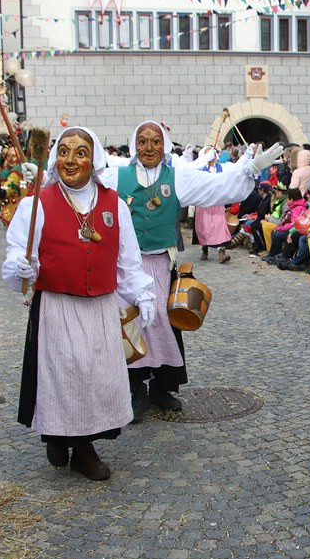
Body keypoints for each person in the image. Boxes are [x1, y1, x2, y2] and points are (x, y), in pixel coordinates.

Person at [2, 125, 156, 481]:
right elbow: (17, 271)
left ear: (94, 159)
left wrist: (142, 294)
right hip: (57, 304)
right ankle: (60, 437)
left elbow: (127, 261)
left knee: (95, 377)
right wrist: (22, 267)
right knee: (63, 376)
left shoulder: (113, 204)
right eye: (65, 151)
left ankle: (83, 447)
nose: (71, 160)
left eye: (80, 152)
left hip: (100, 306)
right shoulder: (35, 205)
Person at [99, 121, 281, 419]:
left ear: (164, 146)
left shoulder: (178, 178)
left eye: (155, 141)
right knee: (129, 325)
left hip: (160, 264)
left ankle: (162, 388)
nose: (148, 148)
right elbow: (82, 188)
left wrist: (248, 169)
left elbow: (216, 187)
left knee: (162, 323)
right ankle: (133, 389)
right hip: (126, 269)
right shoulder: (115, 177)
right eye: (142, 141)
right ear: (134, 145)